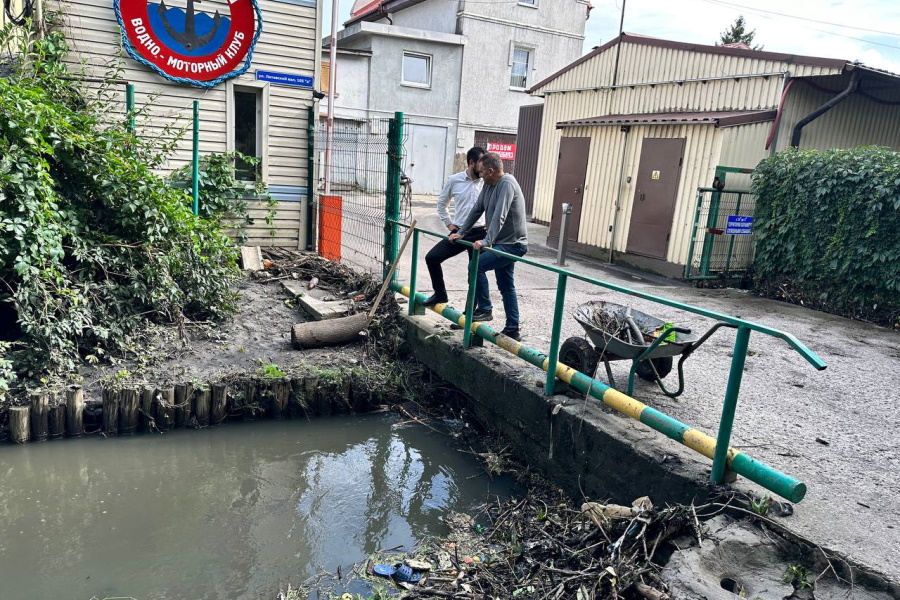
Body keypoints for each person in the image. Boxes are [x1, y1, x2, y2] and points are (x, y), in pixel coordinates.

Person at [449, 152, 528, 340]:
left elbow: (500, 215)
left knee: (476, 265)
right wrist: (462, 232)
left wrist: (487, 241)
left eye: (482, 172)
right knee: (506, 286)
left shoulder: (507, 184)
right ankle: (512, 328)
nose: (480, 175)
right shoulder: (488, 185)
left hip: (514, 244)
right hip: (502, 243)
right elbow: (477, 209)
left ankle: (485, 308)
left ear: (491, 171)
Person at [421, 146, 487, 307]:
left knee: (474, 273)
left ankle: (469, 315)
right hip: (459, 232)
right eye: (481, 163)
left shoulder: (487, 182)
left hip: (480, 233)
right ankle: (440, 294)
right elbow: (441, 204)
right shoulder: (454, 180)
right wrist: (449, 225)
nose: (484, 167)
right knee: (432, 258)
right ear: (472, 163)